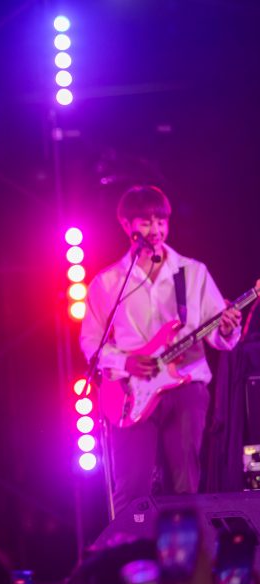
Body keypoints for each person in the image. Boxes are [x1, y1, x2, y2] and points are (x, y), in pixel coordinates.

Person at [80, 185, 242, 515]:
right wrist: (126, 362)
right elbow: (91, 342)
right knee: (132, 490)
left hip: (186, 386)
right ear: (126, 225)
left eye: (161, 221)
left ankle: (180, 550)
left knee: (183, 487)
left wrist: (227, 327)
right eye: (145, 222)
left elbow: (218, 333)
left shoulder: (193, 273)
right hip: (130, 394)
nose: (155, 229)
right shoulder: (108, 282)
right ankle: (133, 548)